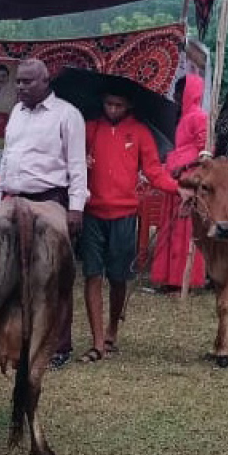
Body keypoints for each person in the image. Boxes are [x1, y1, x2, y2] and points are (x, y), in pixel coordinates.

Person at [0, 58, 88, 367]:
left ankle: (58, 346)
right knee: (12, 271)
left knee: (53, 274)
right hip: (14, 200)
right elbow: (7, 157)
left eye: (27, 82)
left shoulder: (67, 115)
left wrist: (75, 209)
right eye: (18, 81)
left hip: (50, 200)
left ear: (45, 81)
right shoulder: (16, 113)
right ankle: (18, 337)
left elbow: (77, 166)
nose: (20, 87)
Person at [77, 88, 178, 363]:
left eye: (118, 104)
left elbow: (154, 172)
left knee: (118, 277)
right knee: (92, 274)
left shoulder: (140, 133)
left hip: (124, 214)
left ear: (128, 105)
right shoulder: (88, 129)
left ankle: (112, 328)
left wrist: (178, 189)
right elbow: (69, 159)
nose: (112, 109)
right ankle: (98, 342)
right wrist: (79, 162)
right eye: (108, 103)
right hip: (92, 212)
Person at [147, 73, 207, 294]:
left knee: (185, 230)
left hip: (189, 180)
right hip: (175, 180)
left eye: (181, 91)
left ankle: (185, 279)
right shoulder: (183, 117)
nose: (176, 95)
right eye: (176, 91)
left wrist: (186, 167)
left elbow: (206, 151)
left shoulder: (199, 117)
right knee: (171, 228)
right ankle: (169, 277)